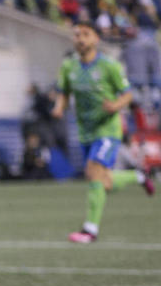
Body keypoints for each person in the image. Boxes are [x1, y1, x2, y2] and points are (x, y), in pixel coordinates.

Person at [52, 21, 154, 243]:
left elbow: (127, 94)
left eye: (85, 34)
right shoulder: (69, 66)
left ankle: (90, 230)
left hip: (108, 129)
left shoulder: (110, 66)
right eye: (77, 34)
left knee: (93, 171)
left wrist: (116, 106)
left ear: (96, 39)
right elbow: (63, 91)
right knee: (104, 181)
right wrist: (59, 107)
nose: (80, 38)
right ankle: (137, 175)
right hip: (85, 131)